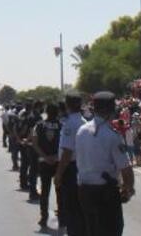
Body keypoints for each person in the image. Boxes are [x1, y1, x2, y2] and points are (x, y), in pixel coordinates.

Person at [75, 91, 135, 236]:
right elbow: (126, 169)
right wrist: (128, 190)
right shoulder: (112, 136)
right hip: (105, 193)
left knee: (91, 230)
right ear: (112, 111)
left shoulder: (81, 131)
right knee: (112, 230)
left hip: (84, 191)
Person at [54, 90, 87, 236]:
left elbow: (67, 152)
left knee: (71, 209)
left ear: (67, 105)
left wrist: (58, 174)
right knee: (80, 209)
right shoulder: (84, 122)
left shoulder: (70, 123)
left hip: (71, 169)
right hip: (82, 167)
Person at [33, 102, 62, 228]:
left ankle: (43, 217)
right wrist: (55, 157)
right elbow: (65, 145)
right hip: (58, 162)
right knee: (60, 191)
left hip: (44, 162)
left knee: (45, 191)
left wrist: (45, 157)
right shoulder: (62, 126)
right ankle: (62, 217)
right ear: (58, 113)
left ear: (46, 111)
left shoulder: (39, 125)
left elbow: (34, 143)